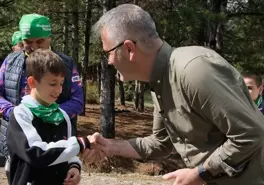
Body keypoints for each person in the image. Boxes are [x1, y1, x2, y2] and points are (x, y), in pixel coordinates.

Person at [83, 4, 264, 185]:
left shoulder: (194, 70)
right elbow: (160, 143)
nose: (109, 61)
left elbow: (250, 134)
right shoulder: (160, 80)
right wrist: (109, 146)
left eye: (108, 52)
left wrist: (200, 173)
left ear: (129, 49)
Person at [0, 13, 84, 169]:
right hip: (19, 139)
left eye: (40, 41)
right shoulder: (10, 61)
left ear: (49, 38)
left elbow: (78, 101)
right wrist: (15, 113)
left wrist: (53, 114)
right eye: (28, 42)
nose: (34, 47)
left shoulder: (66, 63)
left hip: (56, 138)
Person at [7, 49, 92, 185]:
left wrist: (74, 166)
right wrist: (81, 144)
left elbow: (67, 149)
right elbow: (36, 153)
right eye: (53, 84)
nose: (59, 90)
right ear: (32, 82)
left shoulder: (61, 115)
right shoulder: (21, 115)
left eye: (61, 83)